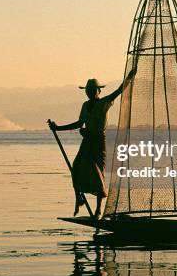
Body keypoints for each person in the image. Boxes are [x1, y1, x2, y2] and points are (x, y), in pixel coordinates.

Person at [49, 68, 136, 219]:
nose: (90, 92)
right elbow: (79, 123)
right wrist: (58, 128)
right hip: (87, 141)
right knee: (76, 167)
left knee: (97, 173)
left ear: (98, 91)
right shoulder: (85, 105)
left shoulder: (104, 102)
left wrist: (129, 77)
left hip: (98, 141)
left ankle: (98, 210)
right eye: (88, 90)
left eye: (92, 90)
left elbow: (119, 90)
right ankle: (79, 198)